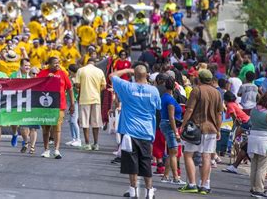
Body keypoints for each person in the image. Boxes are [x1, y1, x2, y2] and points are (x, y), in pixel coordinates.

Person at [110, 64, 161, 199]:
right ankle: (149, 192)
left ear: (135, 75)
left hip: (129, 132)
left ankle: (133, 191)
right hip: (146, 131)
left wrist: (127, 70)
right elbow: (158, 107)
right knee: (146, 162)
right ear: (146, 75)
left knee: (131, 163)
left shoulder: (127, 87)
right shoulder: (154, 91)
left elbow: (112, 76)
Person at [179, 69, 223, 195]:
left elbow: (189, 110)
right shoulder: (217, 93)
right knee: (207, 156)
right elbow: (219, 114)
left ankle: (192, 184)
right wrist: (218, 129)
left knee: (188, 154)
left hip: (196, 128)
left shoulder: (196, 90)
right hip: (211, 129)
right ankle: (204, 185)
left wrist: (183, 125)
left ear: (199, 79)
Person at [37, 57, 74, 159]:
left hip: (59, 105)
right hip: (45, 106)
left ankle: (56, 150)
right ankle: (46, 150)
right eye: (54, 63)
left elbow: (70, 88)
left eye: (58, 63)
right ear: (49, 64)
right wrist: (46, 79)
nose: (57, 65)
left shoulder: (62, 73)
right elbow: (36, 86)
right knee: (46, 128)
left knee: (57, 127)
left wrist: (72, 104)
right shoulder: (43, 73)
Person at [159, 76, 186, 185]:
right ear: (175, 87)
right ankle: (175, 177)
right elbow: (171, 117)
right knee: (174, 151)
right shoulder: (170, 99)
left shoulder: (165, 97)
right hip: (170, 125)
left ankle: (166, 175)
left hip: (166, 124)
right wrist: (176, 132)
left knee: (171, 152)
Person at [75, 58, 106, 151]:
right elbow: (104, 86)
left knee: (85, 122)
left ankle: (87, 143)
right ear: (94, 63)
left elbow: (77, 85)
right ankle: (96, 144)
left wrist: (84, 87)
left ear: (86, 63)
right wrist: (96, 91)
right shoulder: (99, 71)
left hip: (84, 98)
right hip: (96, 99)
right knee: (96, 122)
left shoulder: (81, 70)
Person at [66, 64, 81, 147]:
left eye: (69, 70)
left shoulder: (76, 80)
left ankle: (78, 139)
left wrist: (75, 86)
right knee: (70, 121)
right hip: (69, 100)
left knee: (74, 121)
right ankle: (73, 138)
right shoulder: (69, 78)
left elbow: (78, 91)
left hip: (74, 101)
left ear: (71, 71)